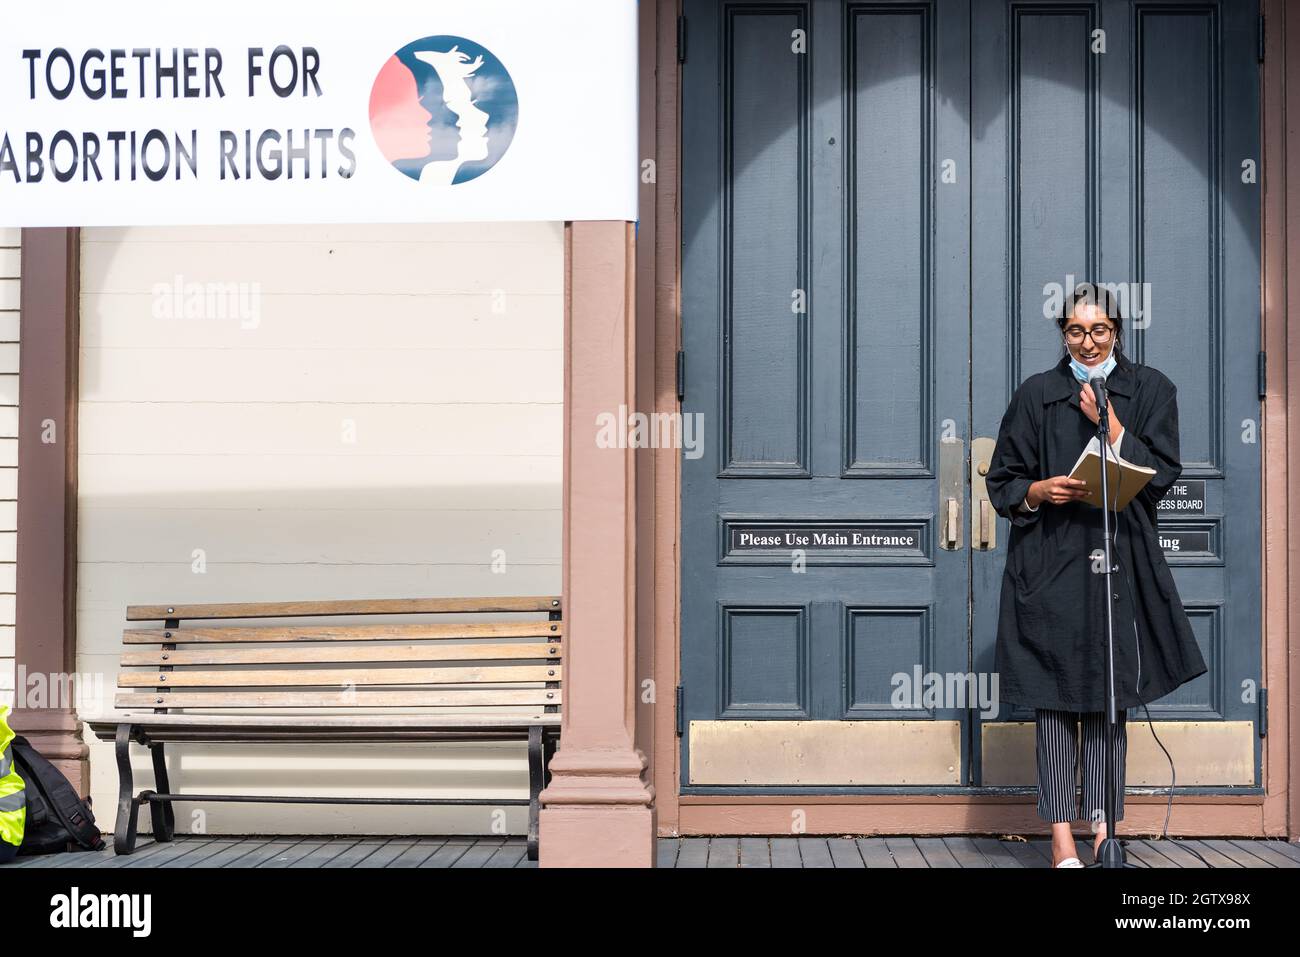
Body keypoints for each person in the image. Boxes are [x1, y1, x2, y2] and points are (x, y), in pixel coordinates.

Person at [984, 282, 1208, 868]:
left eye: (1099, 331)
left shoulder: (1151, 390)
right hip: (1051, 565)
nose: (1087, 342)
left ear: (1118, 332)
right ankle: (1062, 842)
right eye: (1076, 332)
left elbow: (1162, 475)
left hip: (1119, 564)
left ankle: (1105, 831)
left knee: (1110, 702)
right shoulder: (1037, 395)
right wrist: (1038, 490)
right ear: (1063, 334)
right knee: (1057, 704)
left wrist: (1107, 426)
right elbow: (1001, 480)